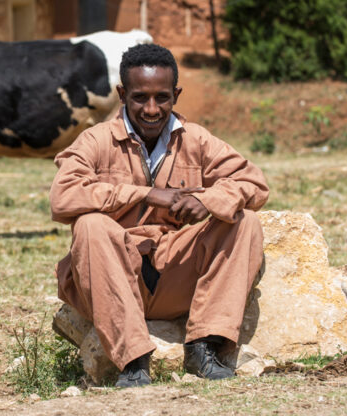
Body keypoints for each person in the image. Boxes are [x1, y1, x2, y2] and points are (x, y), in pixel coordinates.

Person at [49, 43, 269, 388]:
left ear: (176, 95)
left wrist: (210, 200)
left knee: (243, 222)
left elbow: (253, 183)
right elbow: (63, 198)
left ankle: (203, 346)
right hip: (113, 279)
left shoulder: (196, 139)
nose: (151, 109)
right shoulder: (96, 139)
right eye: (139, 98)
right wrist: (146, 194)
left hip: (175, 278)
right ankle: (133, 361)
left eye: (162, 98)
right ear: (122, 94)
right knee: (90, 225)